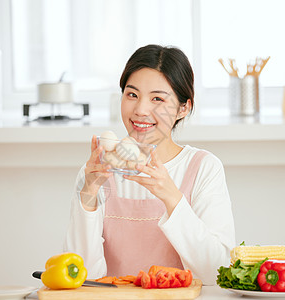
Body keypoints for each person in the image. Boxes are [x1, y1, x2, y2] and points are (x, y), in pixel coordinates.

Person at [64, 44, 235, 285]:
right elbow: (80, 277)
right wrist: (89, 195)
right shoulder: (96, 172)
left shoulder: (203, 168)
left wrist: (171, 196)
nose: (141, 110)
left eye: (157, 99)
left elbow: (217, 273)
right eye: (132, 95)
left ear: (183, 108)